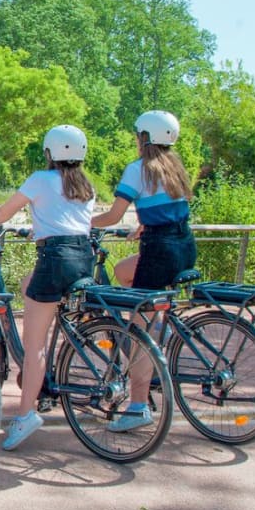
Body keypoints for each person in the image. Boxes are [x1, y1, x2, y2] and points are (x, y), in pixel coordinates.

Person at [0, 125, 95, 450]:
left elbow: (3, 212)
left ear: (49, 152)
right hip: (83, 256)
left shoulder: (40, 179)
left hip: (54, 258)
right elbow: (70, 221)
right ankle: (45, 375)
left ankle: (25, 415)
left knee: (35, 346)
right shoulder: (86, 185)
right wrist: (42, 228)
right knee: (27, 285)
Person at [92, 109, 196, 432]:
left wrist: (82, 223)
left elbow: (112, 216)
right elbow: (168, 208)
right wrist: (145, 224)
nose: (137, 140)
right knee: (124, 272)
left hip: (159, 252)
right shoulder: (175, 167)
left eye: (139, 135)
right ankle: (157, 330)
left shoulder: (138, 169)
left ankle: (138, 407)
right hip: (184, 246)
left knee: (139, 332)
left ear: (145, 138)